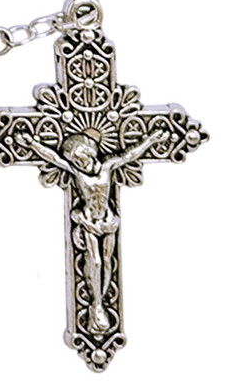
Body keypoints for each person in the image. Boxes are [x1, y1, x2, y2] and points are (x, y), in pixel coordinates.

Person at [19, 126, 171, 335]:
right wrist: (32, 143)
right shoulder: (77, 174)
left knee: (107, 261)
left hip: (108, 221)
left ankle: (101, 303)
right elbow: (54, 158)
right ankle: (96, 304)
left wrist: (152, 139)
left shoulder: (108, 167)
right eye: (74, 160)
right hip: (89, 222)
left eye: (80, 157)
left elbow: (130, 155)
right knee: (96, 261)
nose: (78, 162)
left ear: (89, 151)